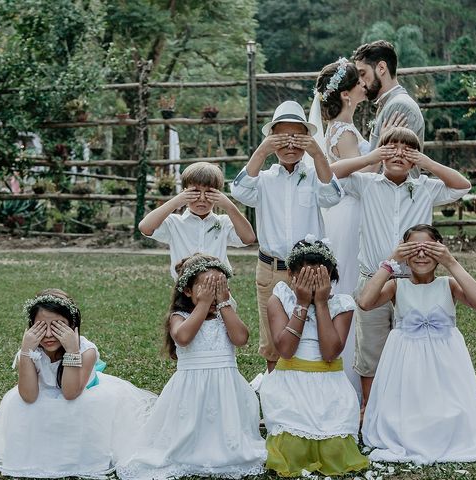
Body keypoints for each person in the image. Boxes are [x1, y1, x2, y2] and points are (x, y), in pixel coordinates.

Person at [332, 126, 470, 410]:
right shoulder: (366, 183)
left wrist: (427, 164)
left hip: (412, 284)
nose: (398, 153)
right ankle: (368, 408)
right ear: (381, 153)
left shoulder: (425, 188)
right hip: (374, 279)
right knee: (371, 349)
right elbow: (331, 173)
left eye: (406, 149)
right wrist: (369, 157)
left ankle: (409, 406)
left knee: (412, 348)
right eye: (391, 147)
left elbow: (462, 186)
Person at [0, 289, 156, 479]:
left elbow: (70, 392)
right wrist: (26, 351)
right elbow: (28, 395)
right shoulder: (30, 352)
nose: (49, 334)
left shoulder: (86, 351)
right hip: (42, 394)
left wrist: (71, 350)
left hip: (79, 393)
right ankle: (39, 454)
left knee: (78, 406)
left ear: (72, 325)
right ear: (31, 326)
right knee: (19, 403)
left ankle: (75, 456)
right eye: (41, 326)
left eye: (58, 326)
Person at [117, 254, 266, 479]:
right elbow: (183, 337)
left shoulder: (225, 313)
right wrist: (204, 304)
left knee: (226, 435)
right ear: (187, 291)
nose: (213, 294)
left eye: (219, 287)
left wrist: (225, 302)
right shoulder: (179, 316)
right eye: (206, 287)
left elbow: (241, 338)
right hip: (190, 391)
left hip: (226, 389)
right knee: (186, 435)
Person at [310, 57, 406, 399]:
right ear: (347, 95)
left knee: (348, 283)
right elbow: (356, 173)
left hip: (344, 212)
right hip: (350, 215)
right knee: (350, 285)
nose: (365, 86)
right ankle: (350, 378)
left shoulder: (342, 129)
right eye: (359, 83)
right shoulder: (344, 132)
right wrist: (380, 151)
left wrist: (378, 143)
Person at [359, 224, 476, 464]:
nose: (421, 255)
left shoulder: (448, 285)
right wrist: (390, 261)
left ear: (439, 253)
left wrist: (451, 262)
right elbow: (365, 302)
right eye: (413, 249)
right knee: (406, 418)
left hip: (444, 367)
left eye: (428, 249)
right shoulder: (397, 285)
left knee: (447, 417)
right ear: (405, 254)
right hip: (407, 366)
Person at [231, 100, 343, 372]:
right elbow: (240, 192)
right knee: (272, 342)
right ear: (272, 139)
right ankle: (274, 399)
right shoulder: (265, 179)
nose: (290, 145)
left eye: (297, 137)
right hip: (272, 268)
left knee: (312, 335)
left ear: (307, 139)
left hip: (311, 271)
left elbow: (333, 196)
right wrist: (262, 150)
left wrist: (318, 155)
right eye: (282, 137)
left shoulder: (315, 175)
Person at [259, 236, 368, 477]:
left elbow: (330, 353)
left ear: (330, 276)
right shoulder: (280, 299)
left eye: (319, 278)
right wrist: (301, 302)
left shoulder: (342, 304)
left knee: (335, 450)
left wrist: (320, 304)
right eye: (305, 278)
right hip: (289, 383)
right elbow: (285, 350)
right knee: (293, 450)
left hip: (328, 383)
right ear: (291, 274)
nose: (312, 284)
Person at [139, 161, 255, 280]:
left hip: (219, 289)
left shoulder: (223, 222)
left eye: (209, 192)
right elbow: (145, 227)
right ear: (184, 192)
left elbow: (249, 238)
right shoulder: (174, 223)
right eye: (195, 192)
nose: (202, 198)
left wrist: (229, 206)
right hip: (184, 291)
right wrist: (175, 202)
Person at [352, 40, 425, 161]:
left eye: (363, 73)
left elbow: (397, 165)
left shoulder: (399, 106)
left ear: (381, 68)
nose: (360, 81)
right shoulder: (389, 103)